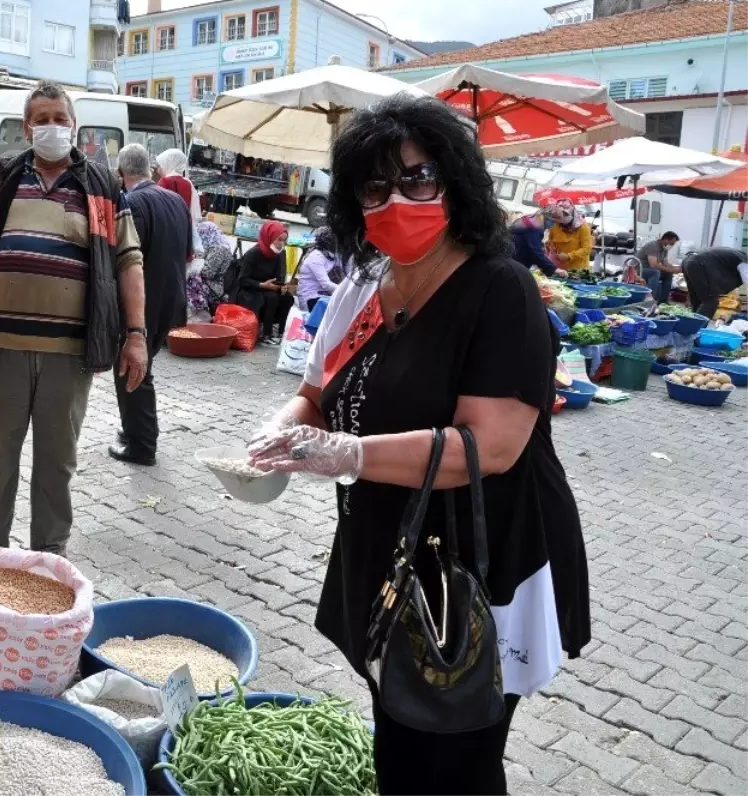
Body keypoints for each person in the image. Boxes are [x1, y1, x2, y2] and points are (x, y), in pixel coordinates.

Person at [245, 94, 589, 795]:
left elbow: (488, 447)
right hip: (388, 550)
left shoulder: (501, 290)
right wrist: (280, 429)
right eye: (375, 186)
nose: (397, 197)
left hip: (475, 565)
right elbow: (317, 390)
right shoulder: (367, 284)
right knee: (399, 738)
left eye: (418, 177)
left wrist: (348, 455)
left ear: (454, 181)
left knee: (453, 760)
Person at [0, 81, 147, 557]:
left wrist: (136, 335)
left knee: (56, 465)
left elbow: (128, 261)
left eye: (61, 118)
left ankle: (49, 562)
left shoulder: (102, 187)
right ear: (27, 126)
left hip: (68, 356)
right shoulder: (0, 180)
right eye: (42, 119)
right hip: (0, 349)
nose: (52, 127)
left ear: (74, 125)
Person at [109, 143, 191, 467]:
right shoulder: (175, 201)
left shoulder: (132, 203)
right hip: (171, 298)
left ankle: (141, 445)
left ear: (120, 173)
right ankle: (138, 432)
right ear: (150, 169)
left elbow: (128, 262)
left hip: (145, 302)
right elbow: (186, 251)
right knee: (142, 368)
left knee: (131, 368)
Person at [234, 219, 294, 344]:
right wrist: (262, 285)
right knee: (271, 297)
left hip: (269, 287)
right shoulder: (253, 253)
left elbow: (279, 277)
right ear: (269, 237)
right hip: (250, 289)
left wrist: (282, 287)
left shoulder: (279, 254)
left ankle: (282, 332)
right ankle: (266, 334)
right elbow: (243, 280)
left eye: (284, 240)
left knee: (288, 298)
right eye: (278, 239)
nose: (281, 244)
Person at [680, 246, 748, 319]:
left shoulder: (738, 255)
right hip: (699, 264)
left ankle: (689, 326)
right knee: (710, 301)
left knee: (697, 301)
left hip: (688, 261)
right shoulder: (744, 262)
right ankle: (696, 328)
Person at [188, 220, 232, 317]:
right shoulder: (216, 244)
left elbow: (208, 272)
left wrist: (197, 262)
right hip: (211, 283)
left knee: (190, 281)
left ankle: (198, 313)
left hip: (214, 287)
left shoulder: (219, 249)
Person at [296, 226, 346, 311]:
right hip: (311, 296)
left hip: (325, 295)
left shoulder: (334, 256)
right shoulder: (316, 257)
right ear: (329, 242)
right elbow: (326, 284)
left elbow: (345, 274)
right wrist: (344, 291)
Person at [510, 209, 564, 278]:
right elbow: (535, 252)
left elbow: (528, 242)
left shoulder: (530, 219)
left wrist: (540, 245)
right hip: (515, 263)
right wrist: (555, 269)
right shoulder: (533, 227)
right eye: (554, 222)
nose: (554, 226)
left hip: (512, 259)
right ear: (548, 219)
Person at [545, 198, 592, 274]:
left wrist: (569, 256)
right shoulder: (555, 225)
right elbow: (551, 241)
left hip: (577, 270)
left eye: (564, 218)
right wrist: (549, 245)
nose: (561, 223)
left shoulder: (583, 227)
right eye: (558, 218)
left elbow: (587, 248)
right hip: (559, 268)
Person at [635, 231, 680, 303]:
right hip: (637, 269)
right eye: (671, 243)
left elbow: (666, 264)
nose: (672, 245)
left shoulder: (664, 249)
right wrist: (670, 269)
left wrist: (676, 269)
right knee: (655, 272)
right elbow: (654, 265)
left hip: (648, 269)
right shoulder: (653, 246)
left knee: (668, 274)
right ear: (666, 240)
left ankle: (662, 301)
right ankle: (649, 301)